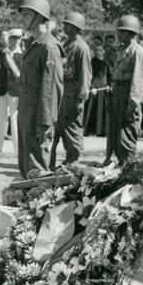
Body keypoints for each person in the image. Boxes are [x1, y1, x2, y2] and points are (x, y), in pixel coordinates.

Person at [16, 0, 65, 178]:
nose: (22, 18)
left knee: (36, 166)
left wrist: (45, 121)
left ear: (39, 16)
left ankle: (36, 205)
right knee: (26, 163)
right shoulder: (35, 44)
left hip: (38, 116)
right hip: (27, 112)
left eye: (26, 14)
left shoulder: (49, 47)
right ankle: (27, 203)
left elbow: (51, 88)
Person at [105, 15, 143, 165]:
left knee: (126, 142)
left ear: (131, 32)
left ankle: (129, 176)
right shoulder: (123, 50)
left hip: (128, 99)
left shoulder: (138, 52)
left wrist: (132, 105)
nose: (119, 34)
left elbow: (138, 81)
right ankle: (121, 173)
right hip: (117, 97)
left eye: (122, 31)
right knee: (115, 140)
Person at [50, 11, 92, 169]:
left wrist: (80, 100)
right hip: (61, 95)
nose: (64, 27)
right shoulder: (67, 45)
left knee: (72, 134)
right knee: (55, 132)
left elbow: (85, 76)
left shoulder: (82, 47)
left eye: (67, 24)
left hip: (72, 97)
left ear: (75, 27)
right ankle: (50, 167)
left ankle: (73, 164)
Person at [0, 28, 23, 154]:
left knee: (15, 119)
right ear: (9, 39)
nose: (15, 40)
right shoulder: (2, 53)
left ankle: (17, 147)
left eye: (18, 38)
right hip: (2, 88)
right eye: (13, 38)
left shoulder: (23, 54)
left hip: (15, 90)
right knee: (0, 118)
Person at [85, 41, 111, 136]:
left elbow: (109, 76)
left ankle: (103, 131)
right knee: (93, 111)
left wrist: (109, 85)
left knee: (104, 112)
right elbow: (88, 76)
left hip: (103, 91)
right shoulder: (92, 62)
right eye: (97, 50)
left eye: (100, 50)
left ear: (103, 51)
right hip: (94, 91)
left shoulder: (106, 63)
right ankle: (91, 131)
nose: (99, 52)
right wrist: (92, 87)